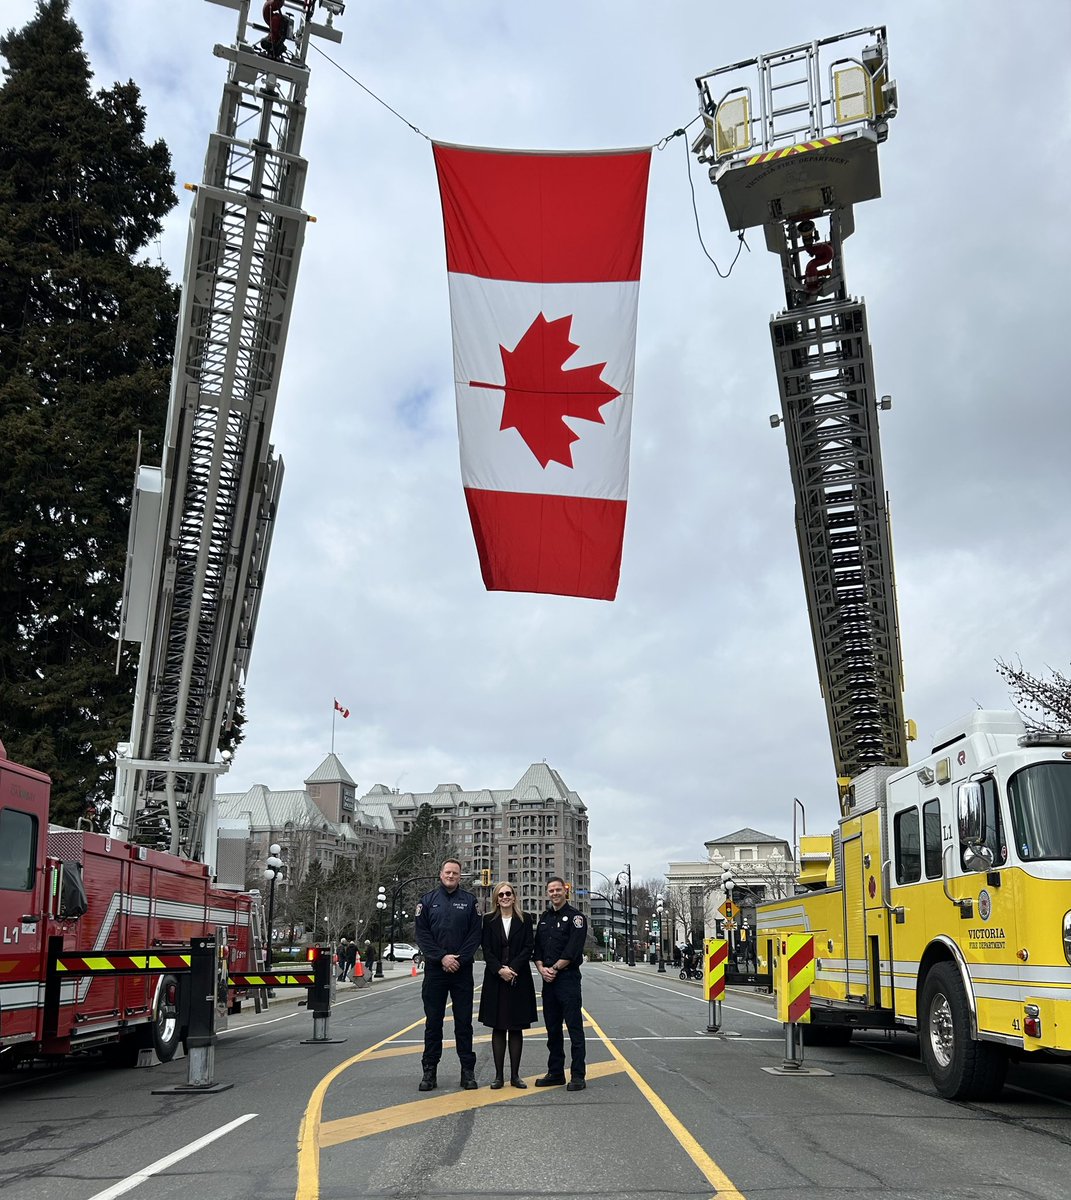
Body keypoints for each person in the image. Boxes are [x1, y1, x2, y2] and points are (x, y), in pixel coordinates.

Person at [414, 858, 481, 1091]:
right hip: (435, 971)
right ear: (440, 874)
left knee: (463, 1023)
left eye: (455, 873)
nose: (451, 876)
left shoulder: (470, 902)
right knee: (433, 1023)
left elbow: (475, 935)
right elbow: (422, 935)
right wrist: (442, 957)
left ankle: (467, 1071)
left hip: (462, 971)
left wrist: (458, 959)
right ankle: (429, 1072)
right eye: (448, 872)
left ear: (460, 876)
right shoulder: (427, 901)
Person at [478, 881, 537, 1089]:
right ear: (496, 898)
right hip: (496, 980)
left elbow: (529, 946)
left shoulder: (525, 919)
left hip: (518, 979)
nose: (504, 897)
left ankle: (515, 1076)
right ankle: (498, 1077)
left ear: (514, 896)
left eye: (508, 893)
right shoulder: (488, 920)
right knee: (498, 1026)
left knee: (515, 1027)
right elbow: (486, 949)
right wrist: (499, 970)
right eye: (501, 894)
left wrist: (512, 969)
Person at [533, 876, 588, 1091]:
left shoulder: (576, 918)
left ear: (565, 891)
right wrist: (541, 969)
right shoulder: (544, 919)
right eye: (551, 890)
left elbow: (573, 950)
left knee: (574, 1028)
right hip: (548, 981)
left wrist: (554, 968)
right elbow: (537, 949)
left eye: (558, 890)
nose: (555, 893)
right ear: (547, 893)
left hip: (568, 979)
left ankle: (578, 1075)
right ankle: (555, 1072)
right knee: (552, 1029)